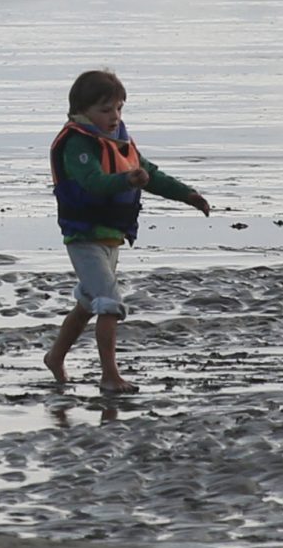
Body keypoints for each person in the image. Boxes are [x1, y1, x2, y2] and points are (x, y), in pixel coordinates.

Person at [43, 68, 215, 395]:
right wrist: (126, 180)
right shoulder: (78, 144)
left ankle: (55, 357)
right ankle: (110, 376)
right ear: (81, 111)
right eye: (105, 110)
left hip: (111, 237)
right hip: (84, 237)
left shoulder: (119, 140)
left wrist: (188, 195)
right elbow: (93, 182)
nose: (114, 116)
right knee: (109, 303)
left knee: (88, 302)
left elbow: (150, 174)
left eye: (119, 108)